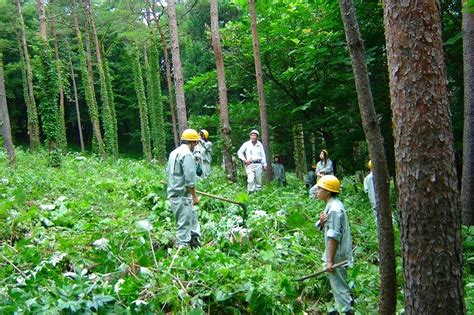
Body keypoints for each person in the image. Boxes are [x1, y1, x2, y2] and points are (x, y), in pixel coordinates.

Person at [315, 175, 354, 315]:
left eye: (320, 188)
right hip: (335, 253)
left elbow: (334, 236)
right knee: (338, 286)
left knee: (340, 288)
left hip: (337, 255)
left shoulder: (334, 209)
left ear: (328, 191)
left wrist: (330, 260)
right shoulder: (331, 205)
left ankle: (346, 310)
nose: (317, 191)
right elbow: (326, 228)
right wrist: (321, 221)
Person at [166, 129, 201, 248]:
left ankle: (195, 243)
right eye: (196, 143)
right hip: (182, 196)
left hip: (174, 192)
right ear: (192, 142)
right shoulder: (187, 155)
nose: (196, 145)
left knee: (192, 219)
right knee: (183, 225)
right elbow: (190, 181)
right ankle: (182, 252)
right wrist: (195, 197)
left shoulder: (174, 153)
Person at [364, 160, 378, 226]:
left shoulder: (366, 178)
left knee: (376, 215)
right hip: (382, 199)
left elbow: (366, 191)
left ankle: (378, 227)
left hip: (373, 200)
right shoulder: (381, 176)